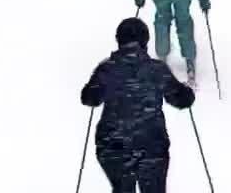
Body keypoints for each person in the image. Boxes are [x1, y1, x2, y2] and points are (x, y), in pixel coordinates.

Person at [79, 17, 196, 193]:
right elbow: (181, 100)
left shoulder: (107, 68)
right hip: (152, 146)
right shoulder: (156, 69)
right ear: (145, 41)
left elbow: (89, 99)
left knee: (122, 187)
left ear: (119, 40)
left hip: (113, 146)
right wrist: (186, 93)